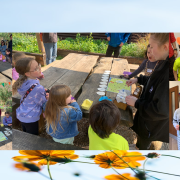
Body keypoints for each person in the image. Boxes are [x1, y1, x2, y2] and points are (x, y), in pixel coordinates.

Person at [125, 33, 169, 150]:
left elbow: (163, 111)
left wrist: (136, 103)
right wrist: (138, 79)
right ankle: (138, 146)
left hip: (151, 125)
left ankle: (141, 151)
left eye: (152, 46)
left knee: (145, 139)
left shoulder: (169, 74)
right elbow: (153, 81)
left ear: (165, 47)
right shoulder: (163, 63)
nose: (149, 50)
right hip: (147, 120)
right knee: (142, 137)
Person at [12, 57, 48, 135]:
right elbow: (43, 103)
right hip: (32, 117)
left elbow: (32, 93)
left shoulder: (23, 82)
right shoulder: (38, 88)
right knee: (32, 137)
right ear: (27, 73)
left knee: (26, 133)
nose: (39, 68)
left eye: (38, 65)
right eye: (36, 69)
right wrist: (46, 96)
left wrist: (40, 92)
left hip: (22, 114)